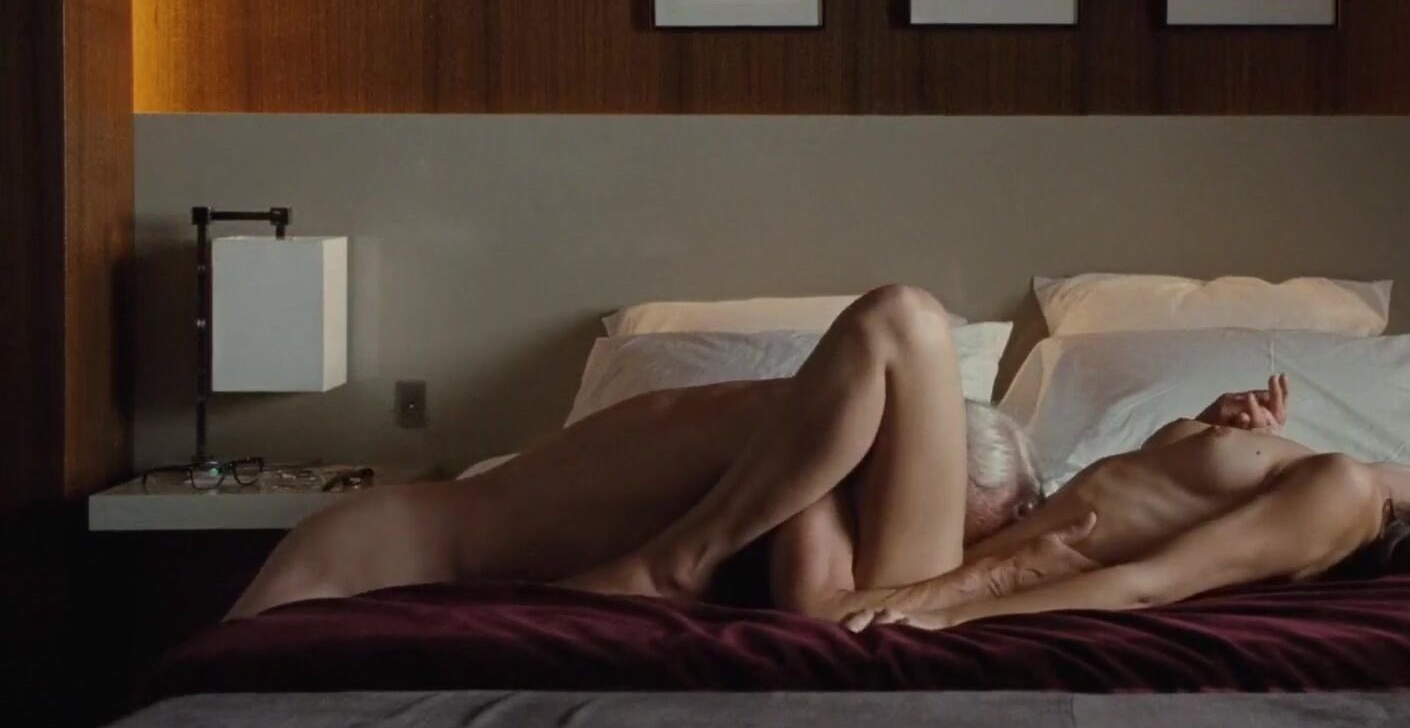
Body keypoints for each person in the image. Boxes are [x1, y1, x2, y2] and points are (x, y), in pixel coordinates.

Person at [226, 285, 1079, 622]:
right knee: (908, 316)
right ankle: (676, 562)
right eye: (937, 505)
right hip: (377, 547)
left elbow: (825, 599)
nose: (919, 523)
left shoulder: (788, 459)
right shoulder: (809, 453)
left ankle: (675, 562)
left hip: (392, 542)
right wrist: (993, 580)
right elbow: (826, 608)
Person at [845, 374, 1410, 632]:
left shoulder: (1346, 494)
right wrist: (1206, 427)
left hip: (962, 556)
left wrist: (950, 614)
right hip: (995, 529)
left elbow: (1149, 583)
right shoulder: (1335, 477)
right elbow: (1148, 494)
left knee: (893, 353)